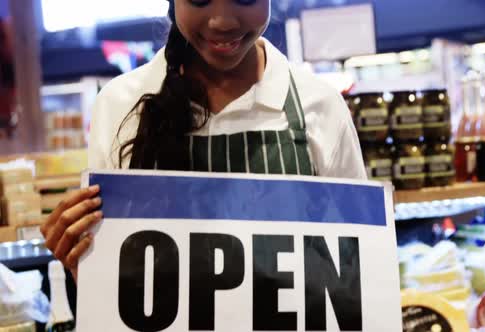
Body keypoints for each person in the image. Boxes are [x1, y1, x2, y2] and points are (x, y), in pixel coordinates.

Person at [41, 0, 365, 280]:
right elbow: (120, 290)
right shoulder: (120, 106)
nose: (222, 20)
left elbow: (359, 267)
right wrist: (87, 264)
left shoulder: (320, 105)